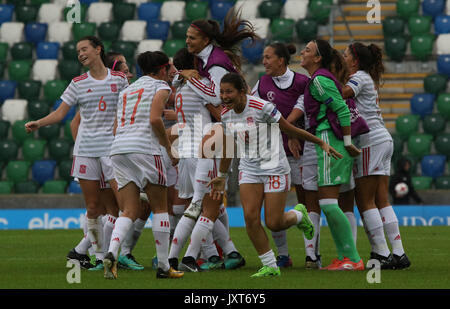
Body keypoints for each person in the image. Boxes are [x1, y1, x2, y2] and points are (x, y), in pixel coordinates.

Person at [208, 72, 343, 277]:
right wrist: (222, 175)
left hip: (275, 167)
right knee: (251, 218)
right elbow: (229, 144)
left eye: (229, 92)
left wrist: (320, 142)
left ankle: (299, 216)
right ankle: (270, 265)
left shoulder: (262, 107)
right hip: (249, 168)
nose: (224, 96)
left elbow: (289, 129)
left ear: (242, 91)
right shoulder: (226, 114)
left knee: (274, 222)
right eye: (222, 92)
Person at [25, 36, 128, 270]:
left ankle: (107, 252)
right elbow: (61, 114)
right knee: (93, 208)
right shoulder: (78, 82)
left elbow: (126, 111)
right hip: (86, 151)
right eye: (78, 50)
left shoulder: (120, 80)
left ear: (98, 49)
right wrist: (38, 123)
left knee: (123, 205)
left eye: (84, 49)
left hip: (112, 151)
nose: (80, 53)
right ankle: (100, 257)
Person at [169, 9, 259, 272]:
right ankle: (221, 253)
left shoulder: (215, 65)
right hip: (202, 143)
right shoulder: (203, 66)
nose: (187, 41)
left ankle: (188, 257)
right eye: (187, 38)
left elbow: (217, 98)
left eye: (192, 37)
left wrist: (187, 78)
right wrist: (184, 76)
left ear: (206, 40)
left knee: (202, 204)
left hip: (208, 142)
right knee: (209, 204)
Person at [103, 51, 184, 279]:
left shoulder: (127, 90)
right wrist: (168, 148)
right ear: (161, 70)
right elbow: (155, 119)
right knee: (160, 208)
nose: (170, 73)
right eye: (169, 68)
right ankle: (164, 266)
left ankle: (111, 253)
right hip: (145, 149)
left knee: (129, 210)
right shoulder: (161, 87)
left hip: (119, 149)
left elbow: (116, 128)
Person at [167, 48, 244, 272]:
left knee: (206, 207)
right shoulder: (196, 84)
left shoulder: (179, 87)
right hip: (203, 151)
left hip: (187, 150)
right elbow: (219, 108)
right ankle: (201, 256)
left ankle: (223, 252)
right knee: (205, 207)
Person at [66, 51, 142, 271]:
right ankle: (96, 254)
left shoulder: (121, 92)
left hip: (109, 158)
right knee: (114, 209)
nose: (128, 73)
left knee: (111, 210)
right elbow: (74, 125)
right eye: (124, 69)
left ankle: (89, 253)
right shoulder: (105, 94)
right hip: (101, 158)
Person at [343, 42, 411, 269]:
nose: (343, 58)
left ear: (355, 60)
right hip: (383, 138)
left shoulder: (359, 77)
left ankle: (381, 254)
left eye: (345, 55)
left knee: (365, 200)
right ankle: (399, 254)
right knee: (382, 199)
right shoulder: (367, 77)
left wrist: (323, 81)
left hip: (370, 140)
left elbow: (343, 93)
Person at [300, 39, 365, 271]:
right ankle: (344, 256)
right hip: (331, 139)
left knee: (327, 203)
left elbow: (341, 109)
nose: (302, 52)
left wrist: (346, 142)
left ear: (317, 58)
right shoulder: (321, 78)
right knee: (331, 202)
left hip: (330, 140)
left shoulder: (318, 80)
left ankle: (352, 258)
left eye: (307, 50)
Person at [251, 42, 309, 268]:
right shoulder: (262, 83)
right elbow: (251, 106)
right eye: (263, 58)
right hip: (271, 152)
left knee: (306, 200)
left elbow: (303, 109)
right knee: (271, 208)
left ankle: (312, 255)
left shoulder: (302, 82)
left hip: (298, 151)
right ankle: (283, 255)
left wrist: (292, 133)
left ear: (281, 60)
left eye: (267, 57)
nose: (263, 62)